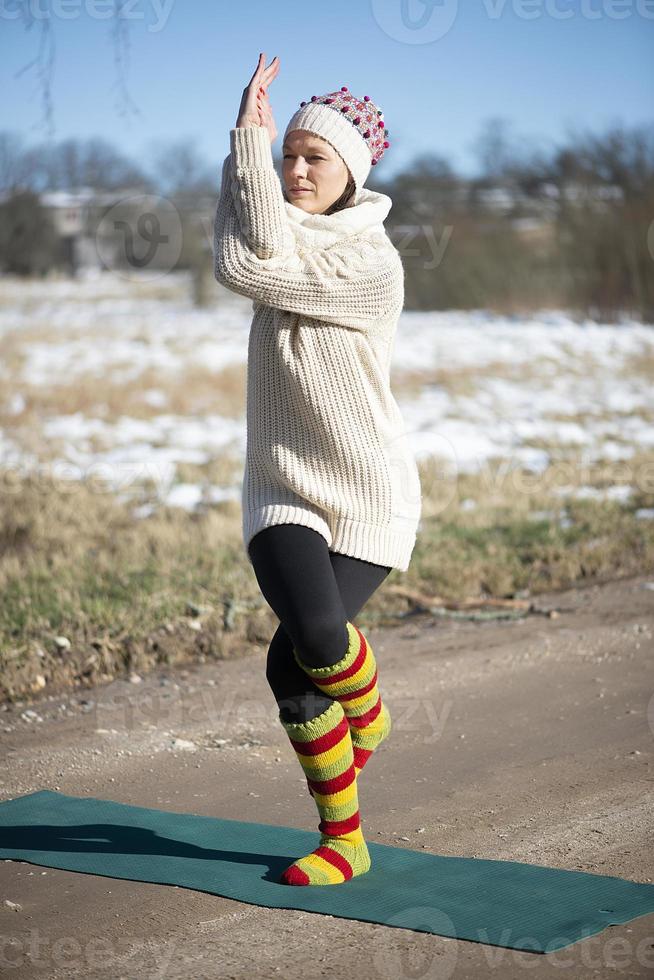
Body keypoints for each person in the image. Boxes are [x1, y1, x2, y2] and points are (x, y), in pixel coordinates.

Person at [213, 53, 421, 886]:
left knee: (296, 658)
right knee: (308, 644)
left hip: (368, 490)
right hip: (280, 486)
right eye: (286, 154)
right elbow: (243, 259)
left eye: (314, 158)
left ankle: (348, 816)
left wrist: (250, 157)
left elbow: (257, 263)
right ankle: (357, 782)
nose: (293, 170)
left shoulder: (373, 267)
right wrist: (247, 144)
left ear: (351, 174)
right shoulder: (270, 223)